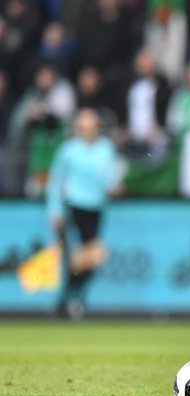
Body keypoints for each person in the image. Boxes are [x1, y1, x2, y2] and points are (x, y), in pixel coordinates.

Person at [46, 108, 119, 319]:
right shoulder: (69, 150)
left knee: (88, 260)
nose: (88, 129)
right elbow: (56, 182)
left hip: (96, 208)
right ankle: (73, 299)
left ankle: (68, 299)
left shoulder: (106, 149)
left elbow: (109, 177)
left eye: (91, 125)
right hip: (75, 206)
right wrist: (55, 210)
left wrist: (114, 186)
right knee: (88, 255)